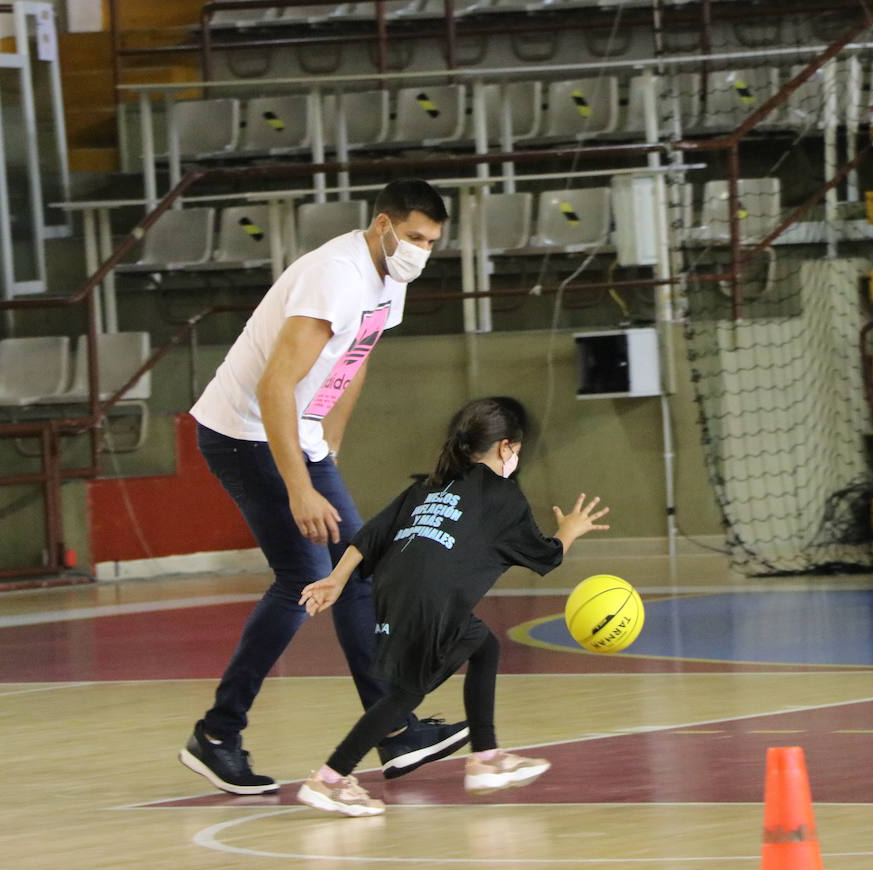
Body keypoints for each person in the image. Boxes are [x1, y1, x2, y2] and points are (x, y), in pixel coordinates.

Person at [179, 179, 468, 796]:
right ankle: (218, 734)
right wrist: (299, 488)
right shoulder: (335, 275)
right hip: (242, 432)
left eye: (432, 242)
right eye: (415, 237)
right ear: (384, 223)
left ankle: (393, 732)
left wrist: (325, 444)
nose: (422, 250)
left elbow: (353, 361)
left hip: (292, 435)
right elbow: (273, 385)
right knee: (303, 579)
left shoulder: (390, 280)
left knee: (357, 573)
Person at [292, 396, 611, 817]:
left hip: (397, 591)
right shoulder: (503, 497)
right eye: (517, 449)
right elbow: (547, 556)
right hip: (431, 601)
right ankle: (329, 778)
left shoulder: (428, 484)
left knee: (484, 647)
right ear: (505, 448)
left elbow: (370, 535)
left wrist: (337, 578)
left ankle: (487, 757)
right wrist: (569, 530)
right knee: (405, 695)